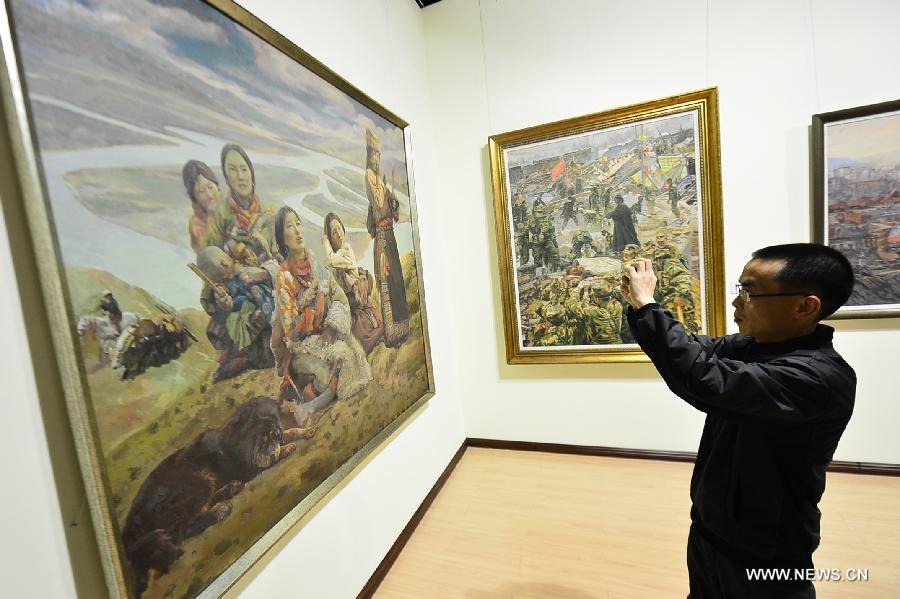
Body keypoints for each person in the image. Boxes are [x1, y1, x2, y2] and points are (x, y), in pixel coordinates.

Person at [621, 243, 856, 599]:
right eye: (740, 288)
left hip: (767, 550)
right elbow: (692, 351)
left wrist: (649, 307)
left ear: (805, 306)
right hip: (710, 529)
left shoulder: (816, 377)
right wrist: (641, 310)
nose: (737, 301)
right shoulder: (752, 346)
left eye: (751, 291)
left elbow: (701, 377)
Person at [271, 206, 371, 427]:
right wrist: (308, 304)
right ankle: (305, 403)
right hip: (302, 345)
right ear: (282, 238)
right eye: (289, 226)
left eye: (298, 223)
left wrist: (331, 328)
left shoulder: (318, 267)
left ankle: (312, 404)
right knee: (331, 370)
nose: (297, 230)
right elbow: (292, 330)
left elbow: (341, 299)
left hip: (327, 336)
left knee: (352, 357)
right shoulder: (284, 277)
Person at [197, 245, 275, 382]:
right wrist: (227, 305)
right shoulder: (223, 285)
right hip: (249, 320)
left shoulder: (243, 256)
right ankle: (241, 358)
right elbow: (221, 306)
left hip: (268, 310)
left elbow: (275, 268)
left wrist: (263, 274)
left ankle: (244, 357)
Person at [365, 129, 410, 348]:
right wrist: (384, 194)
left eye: (377, 156)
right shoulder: (370, 179)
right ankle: (392, 334)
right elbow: (376, 207)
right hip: (382, 240)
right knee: (387, 279)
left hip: (389, 237)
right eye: (373, 155)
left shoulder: (379, 181)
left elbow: (392, 210)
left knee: (397, 281)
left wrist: (393, 203)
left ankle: (402, 330)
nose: (376, 159)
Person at [205, 144, 278, 265]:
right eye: (233, 169)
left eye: (244, 169)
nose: (240, 176)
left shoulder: (267, 212)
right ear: (227, 177)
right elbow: (210, 260)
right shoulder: (220, 214)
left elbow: (280, 256)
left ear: (251, 174)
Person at [322, 212, 384, 354]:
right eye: (333, 232)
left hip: (358, 305)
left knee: (361, 341)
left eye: (339, 229)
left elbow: (330, 259)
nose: (338, 234)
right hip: (347, 304)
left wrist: (324, 241)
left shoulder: (346, 250)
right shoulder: (336, 259)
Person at [182, 160, 222, 253]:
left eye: (210, 187)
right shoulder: (195, 224)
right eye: (201, 191)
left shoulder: (231, 207)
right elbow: (209, 255)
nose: (209, 195)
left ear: (217, 186)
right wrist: (211, 217)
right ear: (194, 198)